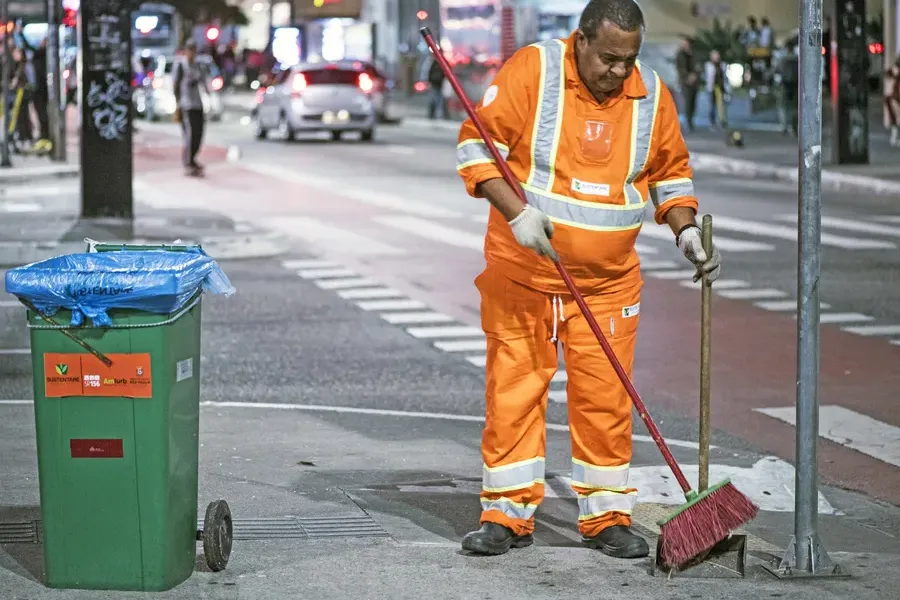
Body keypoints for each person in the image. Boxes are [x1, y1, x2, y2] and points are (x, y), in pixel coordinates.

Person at [454, 0, 720, 558]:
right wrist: (517, 213)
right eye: (609, 60)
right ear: (580, 41)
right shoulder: (534, 70)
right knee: (515, 393)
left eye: (630, 60)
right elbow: (478, 147)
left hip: (608, 284)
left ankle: (606, 517)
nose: (619, 73)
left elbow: (669, 175)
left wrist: (686, 230)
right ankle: (505, 515)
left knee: (605, 401)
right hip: (524, 273)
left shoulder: (649, 94)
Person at [174, 39, 209, 176]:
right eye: (190, 50)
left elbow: (204, 82)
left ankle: (194, 159)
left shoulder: (198, 65)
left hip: (197, 103)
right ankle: (188, 162)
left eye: (194, 50)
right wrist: (177, 104)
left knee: (199, 133)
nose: (192, 53)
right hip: (186, 104)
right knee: (190, 134)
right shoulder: (181, 66)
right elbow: (176, 85)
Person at [675, 37, 698, 130]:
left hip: (694, 82)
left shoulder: (693, 54)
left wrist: (695, 75)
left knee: (693, 102)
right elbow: (680, 68)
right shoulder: (680, 55)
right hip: (685, 82)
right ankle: (688, 121)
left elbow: (697, 66)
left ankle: (691, 119)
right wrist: (688, 76)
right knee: (687, 101)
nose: (685, 45)